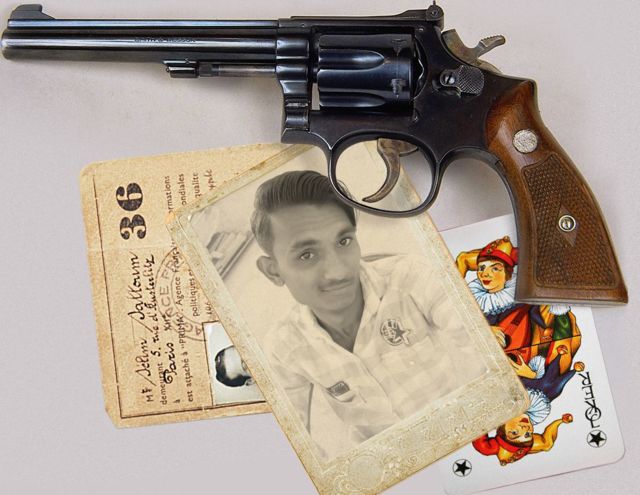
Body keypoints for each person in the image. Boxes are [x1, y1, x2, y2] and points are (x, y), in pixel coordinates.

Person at [251, 170, 484, 458]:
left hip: (463, 441)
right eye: (306, 255)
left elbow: (486, 347)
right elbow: (287, 444)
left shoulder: (411, 277)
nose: (337, 271)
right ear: (273, 271)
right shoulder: (284, 347)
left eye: (344, 242)